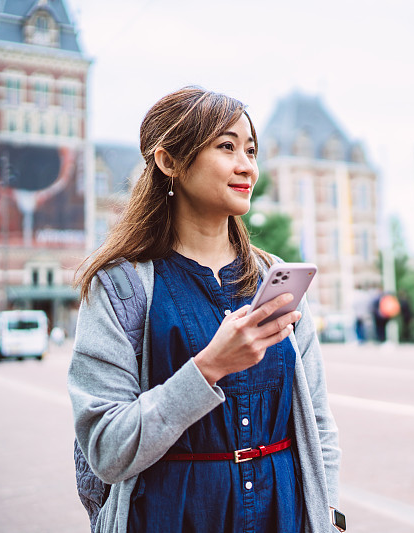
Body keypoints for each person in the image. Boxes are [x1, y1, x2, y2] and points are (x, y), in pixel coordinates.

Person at [68, 87, 342, 532]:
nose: (246, 166)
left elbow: (319, 426)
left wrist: (327, 515)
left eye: (251, 150)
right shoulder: (120, 287)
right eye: (227, 146)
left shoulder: (275, 278)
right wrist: (209, 367)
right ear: (169, 162)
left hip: (281, 515)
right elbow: (105, 448)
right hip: (169, 518)